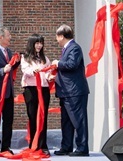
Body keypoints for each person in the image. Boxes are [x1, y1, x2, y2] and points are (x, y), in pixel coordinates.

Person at [52, 24, 89, 157]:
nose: (56, 40)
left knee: (78, 121)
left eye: (57, 36)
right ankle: (66, 146)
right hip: (66, 92)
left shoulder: (74, 48)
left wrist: (58, 63)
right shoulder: (67, 49)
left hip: (75, 92)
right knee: (66, 121)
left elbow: (72, 65)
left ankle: (82, 148)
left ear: (62, 36)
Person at [0, 26, 19, 154]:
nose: (10, 37)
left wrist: (17, 62)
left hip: (8, 92)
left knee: (8, 120)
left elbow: (10, 68)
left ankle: (6, 147)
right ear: (1, 37)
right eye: (8, 35)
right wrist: (2, 70)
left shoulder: (9, 52)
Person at [20, 33, 51, 155]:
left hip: (43, 89)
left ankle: (43, 145)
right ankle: (33, 144)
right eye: (37, 43)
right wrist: (33, 71)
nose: (39, 45)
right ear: (32, 44)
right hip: (31, 89)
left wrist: (50, 76)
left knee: (43, 117)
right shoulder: (25, 58)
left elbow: (48, 71)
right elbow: (25, 70)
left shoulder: (45, 58)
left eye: (41, 43)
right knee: (32, 116)